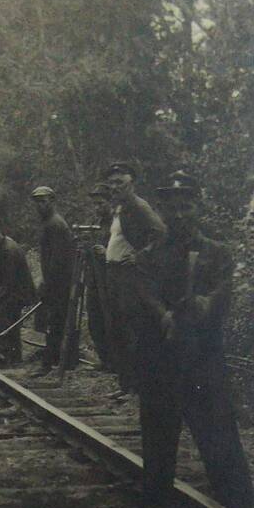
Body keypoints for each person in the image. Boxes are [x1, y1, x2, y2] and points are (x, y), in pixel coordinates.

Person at [136, 171, 254, 508]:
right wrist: (164, 316)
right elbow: (144, 295)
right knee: (158, 430)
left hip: (204, 357)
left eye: (186, 205)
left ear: (198, 206)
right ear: (161, 209)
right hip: (162, 357)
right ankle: (156, 504)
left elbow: (222, 292)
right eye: (171, 207)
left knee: (218, 427)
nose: (179, 214)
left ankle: (239, 507)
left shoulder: (218, 253)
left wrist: (203, 304)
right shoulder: (149, 256)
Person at [103, 161, 167, 394]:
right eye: (111, 183)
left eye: (120, 182)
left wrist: (141, 257)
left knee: (132, 328)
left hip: (130, 277)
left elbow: (160, 233)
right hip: (115, 274)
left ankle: (138, 386)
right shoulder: (119, 208)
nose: (114, 187)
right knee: (118, 328)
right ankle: (127, 384)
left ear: (132, 183)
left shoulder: (139, 206)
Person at [29, 186, 74, 378]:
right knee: (54, 322)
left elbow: (58, 258)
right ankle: (55, 360)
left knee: (55, 322)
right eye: (37, 202)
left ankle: (51, 363)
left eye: (43, 201)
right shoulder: (48, 223)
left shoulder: (55, 224)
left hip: (59, 282)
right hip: (54, 280)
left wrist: (48, 283)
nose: (40, 205)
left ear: (52, 201)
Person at [0, 216, 36, 368]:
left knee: (2, 319)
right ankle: (14, 358)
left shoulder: (9, 249)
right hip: (11, 289)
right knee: (10, 322)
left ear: (0, 231)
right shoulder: (0, 245)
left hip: (17, 291)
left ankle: (3, 353)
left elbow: (9, 282)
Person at [85, 182, 115, 371]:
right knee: (95, 320)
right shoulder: (96, 223)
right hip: (94, 278)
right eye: (95, 204)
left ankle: (116, 362)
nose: (97, 208)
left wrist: (107, 252)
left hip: (111, 279)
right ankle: (105, 359)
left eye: (101, 203)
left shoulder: (118, 223)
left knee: (111, 320)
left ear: (110, 202)